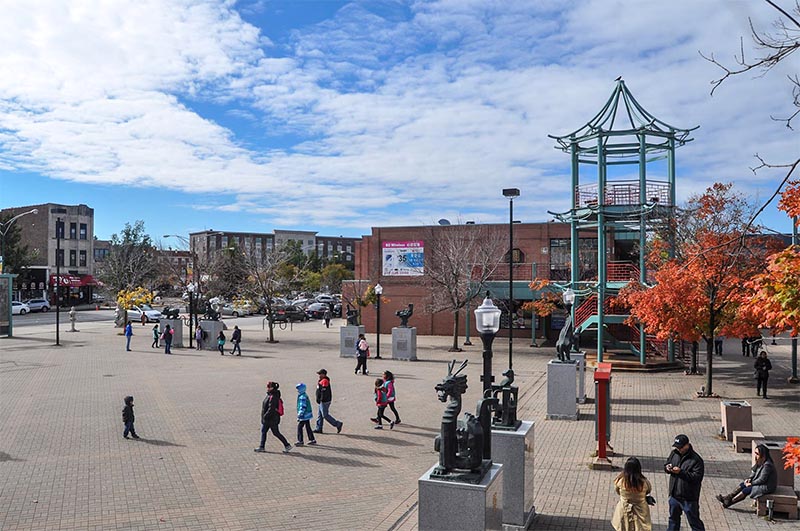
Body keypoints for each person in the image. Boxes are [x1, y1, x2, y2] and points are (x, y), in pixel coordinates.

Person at [716, 443, 777, 509]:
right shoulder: (759, 461)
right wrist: (749, 479)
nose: (755, 456)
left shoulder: (767, 465)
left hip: (766, 486)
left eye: (757, 454)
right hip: (760, 483)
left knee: (746, 490)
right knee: (743, 484)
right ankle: (728, 497)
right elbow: (753, 472)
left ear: (763, 455)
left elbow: (762, 479)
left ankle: (730, 503)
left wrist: (751, 484)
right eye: (755, 453)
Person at [664, 434, 705, 531]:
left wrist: (681, 472)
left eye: (680, 447)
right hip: (675, 495)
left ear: (687, 445)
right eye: (677, 447)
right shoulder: (674, 454)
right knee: (673, 521)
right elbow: (667, 463)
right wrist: (667, 468)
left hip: (689, 498)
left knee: (694, 522)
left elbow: (697, 478)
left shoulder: (696, 460)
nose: (678, 449)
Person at [611, 456, 652, 531]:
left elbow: (617, 491)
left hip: (624, 509)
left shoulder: (620, 481)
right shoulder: (644, 483)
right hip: (641, 512)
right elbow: (648, 490)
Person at [254, 381, 292, 453]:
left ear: (272, 388)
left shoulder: (273, 397)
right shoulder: (271, 395)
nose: (267, 388)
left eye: (268, 387)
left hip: (271, 419)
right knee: (264, 431)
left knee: (276, 433)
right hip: (269, 419)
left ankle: (287, 445)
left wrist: (265, 416)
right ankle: (262, 446)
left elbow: (271, 408)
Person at [313, 369, 343, 434]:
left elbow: (324, 392)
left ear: (324, 374)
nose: (319, 375)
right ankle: (319, 428)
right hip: (321, 401)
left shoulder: (325, 381)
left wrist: (321, 399)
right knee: (320, 415)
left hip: (324, 401)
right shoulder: (321, 380)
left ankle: (337, 424)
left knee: (325, 415)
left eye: (320, 374)